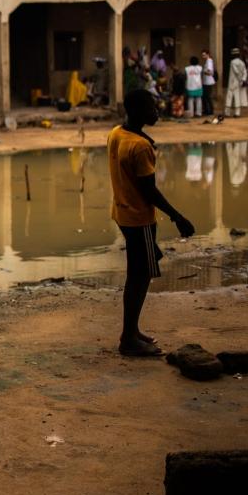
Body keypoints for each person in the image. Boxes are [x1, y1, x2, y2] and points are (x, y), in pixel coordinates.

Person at [106, 89, 195, 357]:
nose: (156, 112)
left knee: (141, 265)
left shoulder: (117, 133)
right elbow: (150, 191)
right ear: (138, 112)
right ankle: (128, 339)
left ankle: (132, 332)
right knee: (139, 275)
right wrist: (178, 216)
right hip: (138, 217)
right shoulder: (141, 147)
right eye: (151, 108)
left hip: (121, 213)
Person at [225, 47, 248, 118]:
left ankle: (227, 113)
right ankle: (237, 113)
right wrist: (243, 80)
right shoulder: (242, 62)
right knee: (237, 96)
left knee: (229, 97)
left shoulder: (232, 62)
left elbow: (236, 72)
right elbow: (245, 72)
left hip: (233, 82)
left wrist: (240, 80)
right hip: (239, 82)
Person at [200, 49, 216, 117]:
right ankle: (207, 110)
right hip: (206, 81)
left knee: (207, 97)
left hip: (208, 82)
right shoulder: (208, 61)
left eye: (204, 55)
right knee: (205, 97)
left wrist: (203, 71)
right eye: (202, 55)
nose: (203, 56)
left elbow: (209, 72)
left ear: (207, 54)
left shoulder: (209, 61)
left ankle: (210, 111)